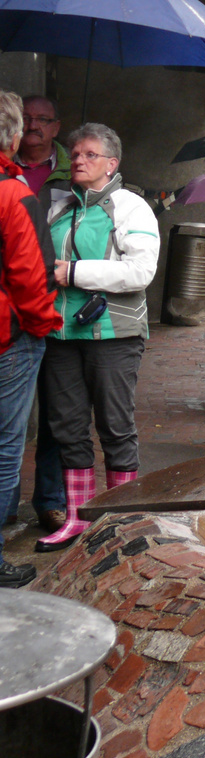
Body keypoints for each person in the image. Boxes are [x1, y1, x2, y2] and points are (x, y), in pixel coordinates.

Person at [37, 123, 159, 551]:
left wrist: (72, 272)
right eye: (75, 153)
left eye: (89, 154)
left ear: (112, 164)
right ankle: (78, 518)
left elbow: (141, 271)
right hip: (62, 333)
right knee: (67, 427)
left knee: (114, 424)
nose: (78, 160)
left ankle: (122, 519)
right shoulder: (61, 209)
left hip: (113, 334)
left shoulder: (131, 208)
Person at [0, 92, 63, 586]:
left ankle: (47, 504)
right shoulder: (13, 192)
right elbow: (28, 274)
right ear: (14, 134)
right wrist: (43, 325)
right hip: (12, 333)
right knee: (6, 444)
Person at [15, 95, 68, 534]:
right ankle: (5, 500)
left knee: (55, 411)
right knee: (7, 420)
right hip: (15, 304)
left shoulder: (74, 175)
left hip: (56, 304)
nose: (33, 126)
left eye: (42, 120)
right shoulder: (5, 168)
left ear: (55, 127)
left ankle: (50, 500)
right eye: (26, 118)